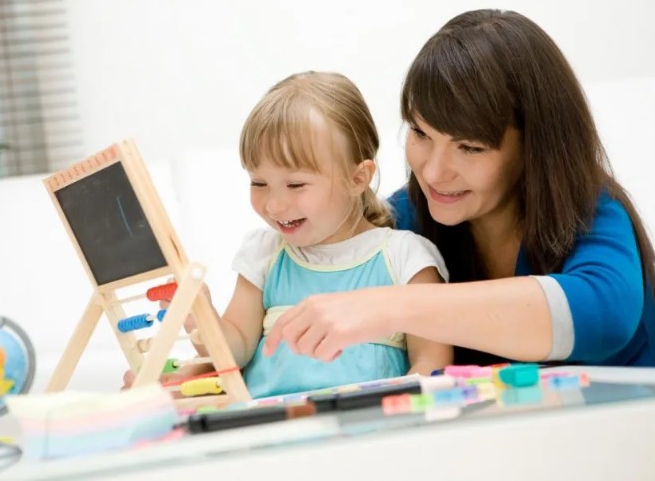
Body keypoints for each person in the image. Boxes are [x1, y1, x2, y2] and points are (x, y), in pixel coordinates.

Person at [264, 9, 655, 367]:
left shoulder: (590, 208)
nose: (434, 173)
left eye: (469, 147)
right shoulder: (403, 221)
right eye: (420, 132)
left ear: (533, 146)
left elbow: (602, 314)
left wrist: (391, 306)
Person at [124, 71, 451, 398]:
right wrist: (200, 316)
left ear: (357, 178)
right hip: (267, 423)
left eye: (295, 184)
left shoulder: (405, 257)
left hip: (368, 424)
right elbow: (234, 351)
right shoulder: (264, 253)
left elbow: (431, 363)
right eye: (259, 183)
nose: (274, 205)